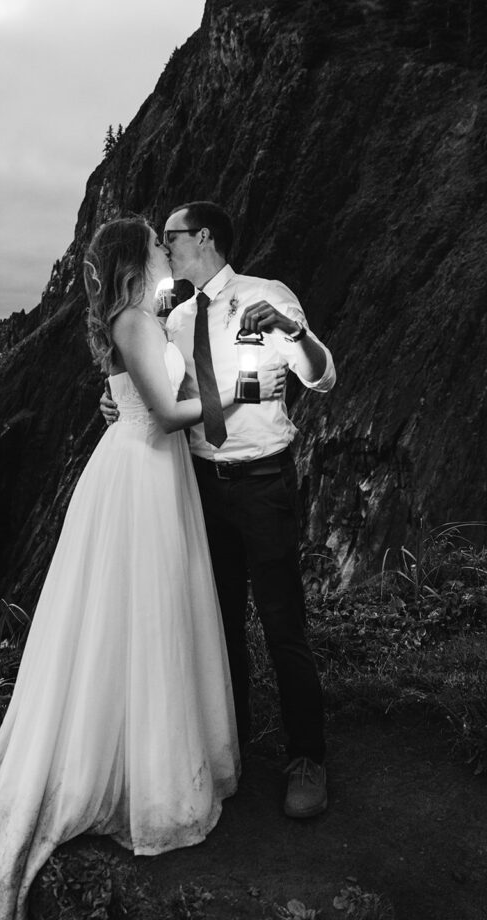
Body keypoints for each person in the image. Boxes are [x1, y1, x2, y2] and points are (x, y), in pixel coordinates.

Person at [0, 217, 240, 920]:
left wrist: (139, 394)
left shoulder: (140, 316)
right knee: (137, 614)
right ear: (135, 260)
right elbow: (163, 416)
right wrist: (223, 400)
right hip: (141, 473)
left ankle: (144, 757)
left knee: (146, 613)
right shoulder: (134, 320)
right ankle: (141, 775)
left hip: (147, 472)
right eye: (156, 246)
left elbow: (138, 396)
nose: (166, 250)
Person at [101, 202, 336, 819]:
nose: (166, 247)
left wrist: (294, 332)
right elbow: (162, 393)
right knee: (218, 618)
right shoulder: (173, 319)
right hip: (200, 483)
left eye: (171, 237)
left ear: (203, 238)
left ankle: (307, 757)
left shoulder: (268, 294)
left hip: (262, 479)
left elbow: (323, 377)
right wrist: (121, 404)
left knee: (284, 620)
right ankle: (232, 743)